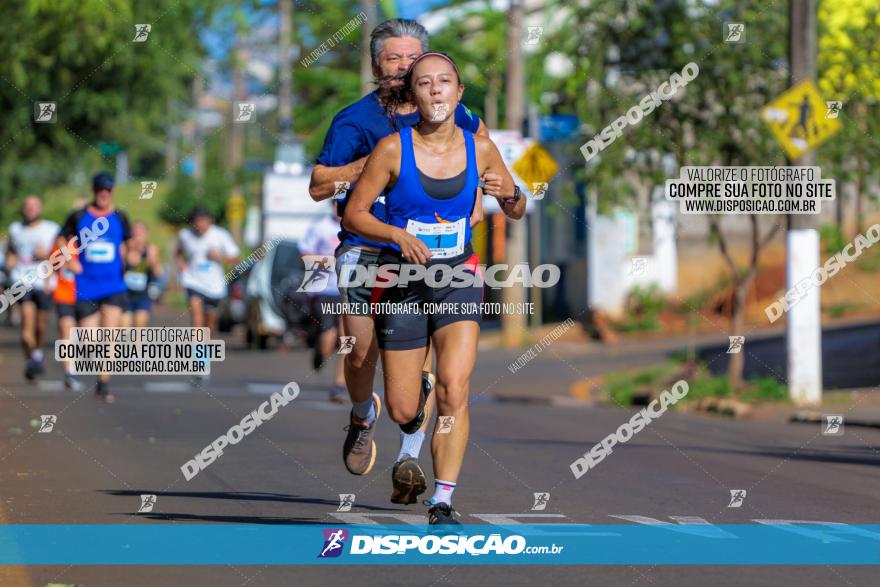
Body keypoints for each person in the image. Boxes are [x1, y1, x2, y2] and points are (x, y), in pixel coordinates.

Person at [308, 17, 503, 505]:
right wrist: (372, 165)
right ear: (377, 66)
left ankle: (409, 457)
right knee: (359, 351)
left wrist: (477, 197)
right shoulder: (354, 120)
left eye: (411, 57)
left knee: (436, 370)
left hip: (432, 255)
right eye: (392, 58)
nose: (402, 66)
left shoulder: (450, 109)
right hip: (366, 243)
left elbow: (483, 157)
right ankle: (361, 413)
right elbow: (318, 187)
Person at [345, 52, 525, 524]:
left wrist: (507, 194)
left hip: (457, 278)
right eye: (425, 84)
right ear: (414, 96)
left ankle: (442, 499)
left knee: (455, 388)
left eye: (445, 82)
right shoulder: (391, 149)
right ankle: (408, 409)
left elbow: (516, 205)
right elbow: (355, 214)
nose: (436, 90)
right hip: (402, 281)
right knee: (405, 407)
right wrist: (396, 234)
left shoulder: (480, 149)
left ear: (459, 93)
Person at [61, 172, 133, 402]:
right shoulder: (79, 215)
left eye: (108, 190)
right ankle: (99, 373)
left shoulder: (120, 216)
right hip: (86, 285)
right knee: (91, 341)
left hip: (113, 285)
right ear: (94, 191)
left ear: (113, 192)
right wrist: (70, 260)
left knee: (110, 335)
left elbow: (130, 243)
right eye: (100, 189)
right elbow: (62, 239)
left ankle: (103, 382)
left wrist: (131, 256)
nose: (104, 193)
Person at [176, 206, 239, 385]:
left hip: (214, 287)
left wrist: (219, 256)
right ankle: (199, 366)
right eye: (197, 222)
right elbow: (178, 252)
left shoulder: (220, 235)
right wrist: (181, 263)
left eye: (203, 222)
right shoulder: (185, 235)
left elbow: (235, 258)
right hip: (193, 282)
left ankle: (204, 358)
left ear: (210, 221)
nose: (200, 226)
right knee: (197, 322)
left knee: (209, 326)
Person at [6, 196, 60, 380]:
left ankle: (36, 353)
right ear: (22, 209)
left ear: (40, 209)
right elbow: (11, 251)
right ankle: (31, 360)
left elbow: (62, 255)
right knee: (27, 319)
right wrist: (9, 263)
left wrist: (45, 254)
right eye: (27, 206)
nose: (30, 209)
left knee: (41, 325)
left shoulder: (51, 229)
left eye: (34, 206)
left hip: (44, 282)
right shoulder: (15, 229)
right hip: (22, 281)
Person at [298, 201, 346, 402]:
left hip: (349, 289)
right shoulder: (320, 227)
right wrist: (325, 260)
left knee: (347, 339)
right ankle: (320, 353)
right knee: (328, 337)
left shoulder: (357, 225)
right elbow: (303, 252)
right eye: (339, 203)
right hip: (323, 288)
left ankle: (339, 384)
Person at [49, 238, 82, 391]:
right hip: (64, 295)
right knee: (66, 333)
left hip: (88, 295)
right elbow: (51, 265)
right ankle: (69, 374)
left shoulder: (93, 243)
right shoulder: (60, 244)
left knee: (90, 339)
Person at [121, 221, 163, 328]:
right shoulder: (124, 248)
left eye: (140, 233)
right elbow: (116, 271)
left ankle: (137, 345)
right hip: (125, 294)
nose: (137, 237)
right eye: (135, 233)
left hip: (143, 295)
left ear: (146, 234)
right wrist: (126, 257)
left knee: (140, 326)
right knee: (125, 327)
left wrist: (152, 260)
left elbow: (158, 273)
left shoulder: (151, 249)